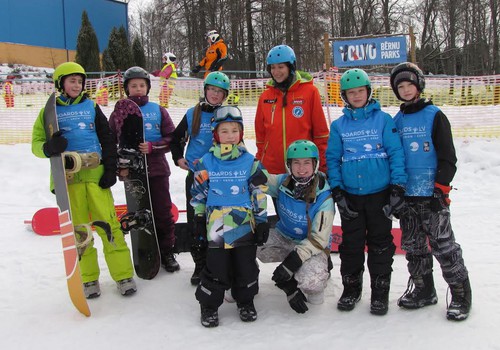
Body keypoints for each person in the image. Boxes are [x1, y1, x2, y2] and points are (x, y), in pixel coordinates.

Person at [31, 62, 136, 298]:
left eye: (79, 81)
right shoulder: (50, 111)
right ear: (60, 84)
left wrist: (110, 169)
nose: (76, 85)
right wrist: (48, 147)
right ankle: (89, 279)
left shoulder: (92, 107)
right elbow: (35, 144)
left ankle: (123, 275)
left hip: (95, 176)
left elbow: (107, 138)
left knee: (109, 226)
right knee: (79, 233)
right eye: (71, 81)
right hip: (69, 180)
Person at [390, 62, 472, 321]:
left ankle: (460, 293)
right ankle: (424, 289)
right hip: (408, 196)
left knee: (443, 245)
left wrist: (440, 188)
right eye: (400, 87)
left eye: (409, 85)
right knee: (413, 246)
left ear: (419, 85)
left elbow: (448, 158)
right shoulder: (397, 120)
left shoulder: (434, 115)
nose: (405, 90)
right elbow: (394, 157)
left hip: (432, 195)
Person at [325, 68, 407, 315]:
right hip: (351, 196)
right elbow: (332, 158)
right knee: (351, 245)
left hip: (379, 194)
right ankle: (351, 289)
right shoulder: (339, 126)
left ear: (369, 92)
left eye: (361, 91)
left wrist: (398, 187)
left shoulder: (383, 120)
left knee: (380, 244)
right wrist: (338, 191)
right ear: (344, 96)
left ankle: (380, 292)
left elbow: (396, 154)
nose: (357, 96)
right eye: (352, 92)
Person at [190, 105, 268, 328]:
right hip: (216, 224)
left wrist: (262, 221)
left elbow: (259, 192)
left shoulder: (250, 162)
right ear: (216, 133)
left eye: (235, 130)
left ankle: (245, 300)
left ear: (241, 133)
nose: (230, 136)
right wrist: (197, 217)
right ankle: (209, 305)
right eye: (224, 131)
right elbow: (199, 192)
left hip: (243, 223)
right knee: (216, 267)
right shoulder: (206, 162)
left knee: (245, 265)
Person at [109, 66, 179, 273]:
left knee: (162, 212)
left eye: (142, 85)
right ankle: (144, 251)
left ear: (147, 87)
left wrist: (153, 147)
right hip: (133, 173)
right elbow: (111, 139)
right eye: (133, 86)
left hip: (157, 170)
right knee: (138, 215)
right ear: (127, 88)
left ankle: (167, 251)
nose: (138, 89)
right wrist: (117, 163)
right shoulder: (119, 113)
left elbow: (172, 139)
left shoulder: (158, 110)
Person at [257, 140, 334, 314]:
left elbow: (318, 239)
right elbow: (261, 178)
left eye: (307, 162)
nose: (301, 168)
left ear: (315, 164)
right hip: (284, 237)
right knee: (247, 244)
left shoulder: (324, 198)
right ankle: (248, 280)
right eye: (296, 163)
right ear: (288, 165)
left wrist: (291, 264)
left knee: (312, 285)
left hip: (311, 245)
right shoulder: (283, 182)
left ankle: (321, 268)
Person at [170, 71, 231, 285]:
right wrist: (178, 158)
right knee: (196, 220)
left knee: (218, 220)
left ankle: (220, 261)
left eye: (220, 92)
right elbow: (175, 139)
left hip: (221, 176)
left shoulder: (228, 114)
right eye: (212, 90)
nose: (215, 95)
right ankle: (199, 264)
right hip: (196, 177)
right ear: (205, 90)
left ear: (225, 95)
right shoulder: (192, 113)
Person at [255, 44, 330, 176]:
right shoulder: (265, 97)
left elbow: (320, 133)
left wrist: (322, 166)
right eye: (272, 67)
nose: (276, 72)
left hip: (302, 170)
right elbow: (261, 137)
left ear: (291, 67)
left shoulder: (309, 92)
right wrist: (260, 163)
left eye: (280, 67)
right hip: (273, 170)